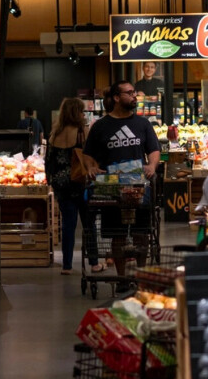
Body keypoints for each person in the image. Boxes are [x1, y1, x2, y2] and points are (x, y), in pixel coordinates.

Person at [83, 81, 161, 277]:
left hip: (138, 189)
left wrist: (151, 165)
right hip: (111, 189)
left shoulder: (143, 124)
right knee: (116, 236)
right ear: (117, 98)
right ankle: (121, 278)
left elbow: (154, 150)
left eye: (134, 93)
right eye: (129, 93)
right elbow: (88, 154)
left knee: (141, 234)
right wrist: (91, 167)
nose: (134, 96)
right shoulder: (101, 126)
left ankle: (141, 275)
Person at [45, 98, 104, 274]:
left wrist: (51, 181)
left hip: (61, 185)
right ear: (75, 113)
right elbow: (91, 156)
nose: (83, 114)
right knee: (88, 224)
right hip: (81, 183)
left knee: (68, 225)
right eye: (81, 111)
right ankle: (94, 263)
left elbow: (48, 162)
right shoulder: (82, 132)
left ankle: (67, 266)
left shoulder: (54, 135)